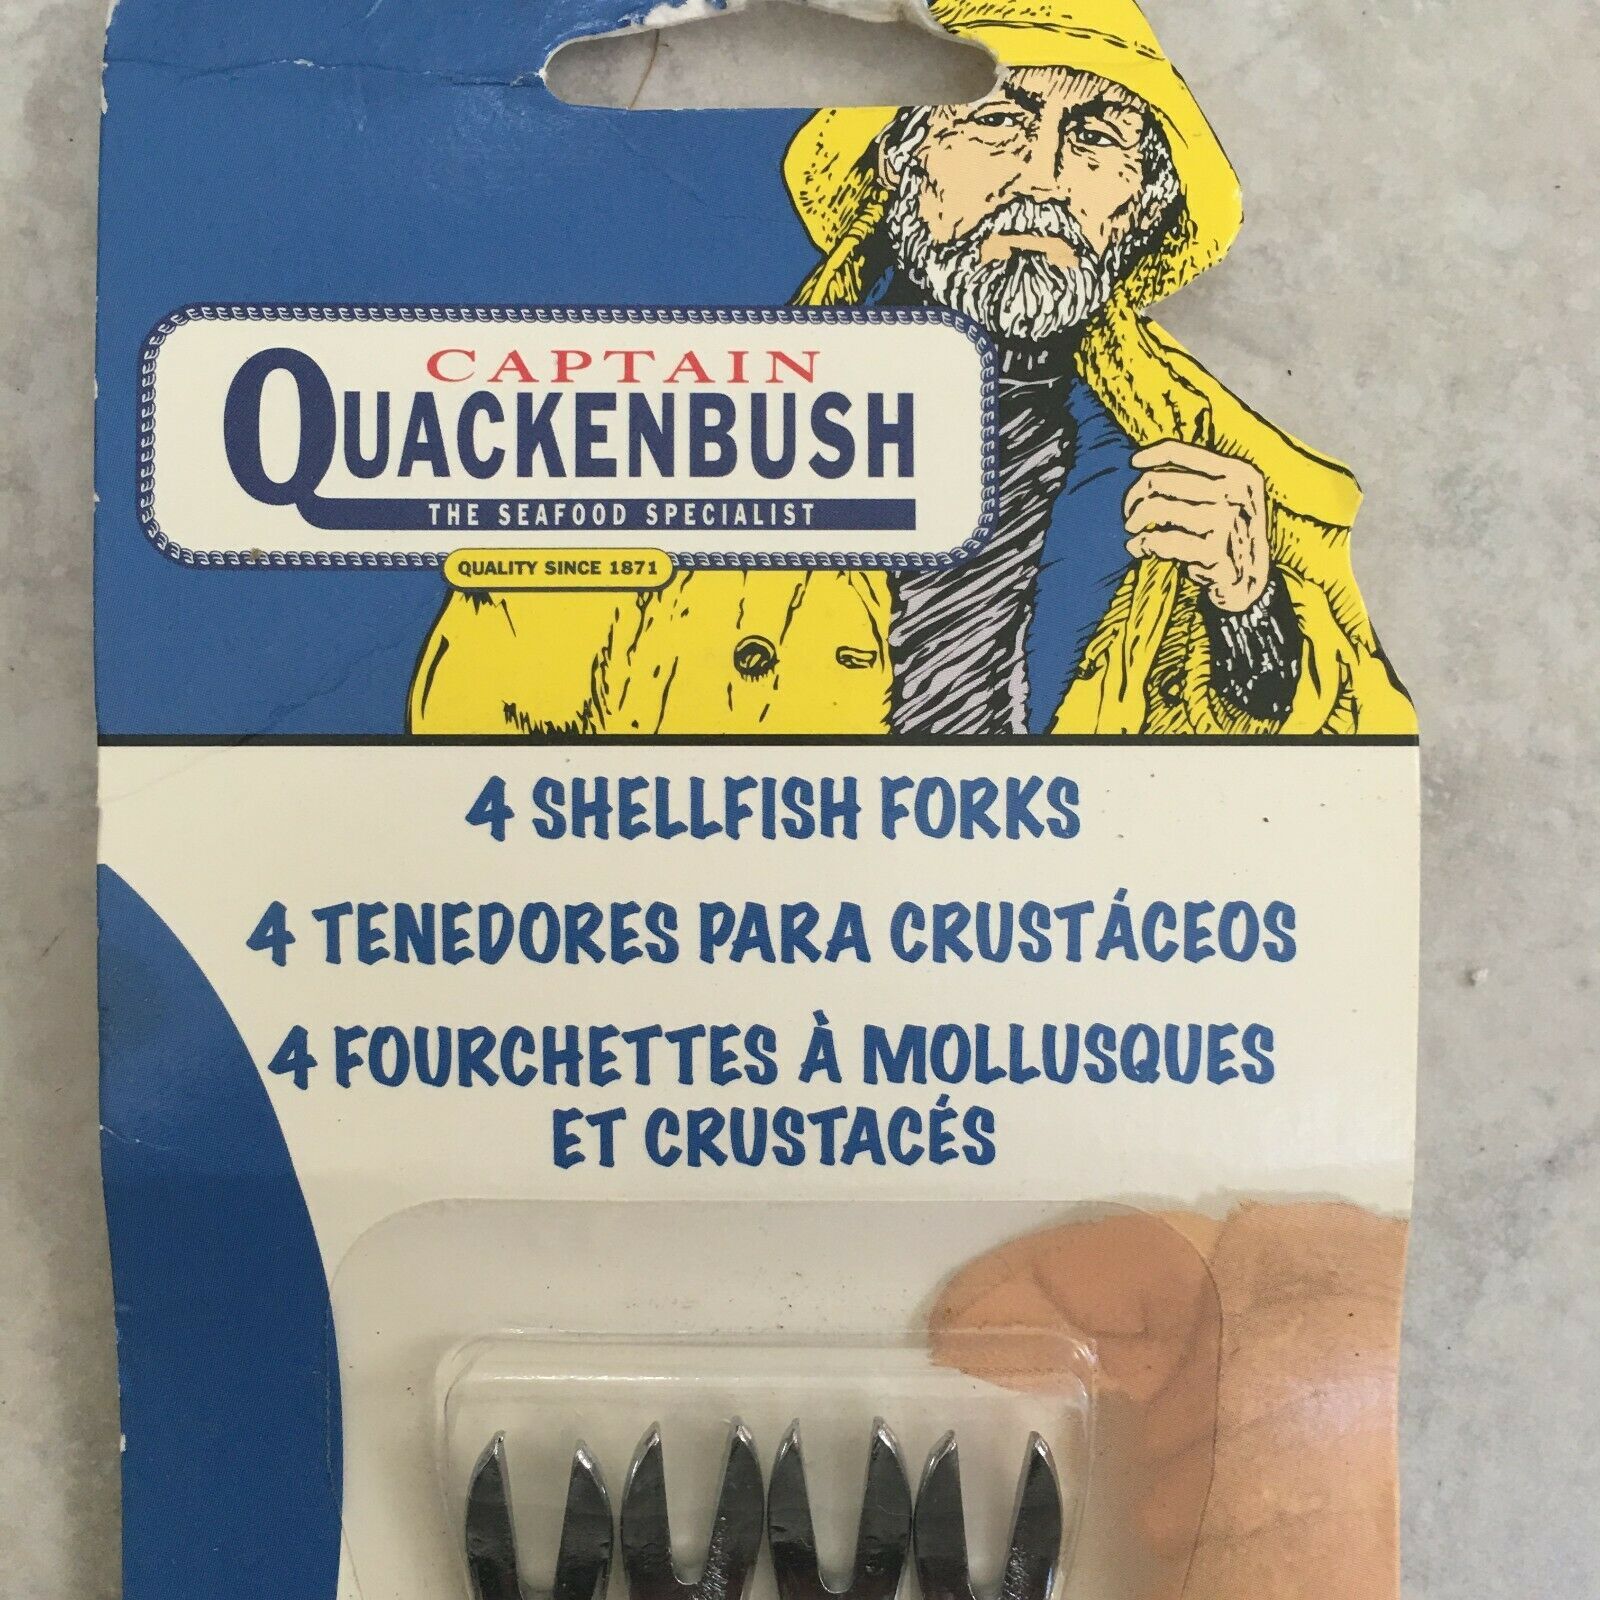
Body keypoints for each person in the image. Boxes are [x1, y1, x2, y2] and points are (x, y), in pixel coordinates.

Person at [409, 0, 1414, 737]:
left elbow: (1344, 803)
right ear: (898, 161)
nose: (1042, 176)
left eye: (1095, 138)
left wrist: (1250, 617)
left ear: (1143, 203)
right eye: (997, 122)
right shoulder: (685, 429)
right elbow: (479, 727)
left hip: (1053, 955)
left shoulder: (1235, 478)